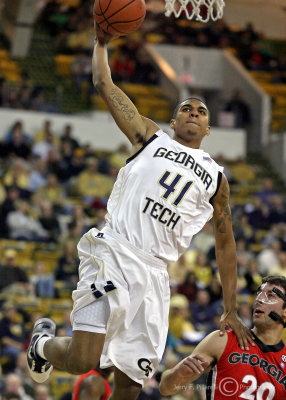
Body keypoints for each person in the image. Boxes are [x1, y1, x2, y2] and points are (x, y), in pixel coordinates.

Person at [26, 25, 253, 400]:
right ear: (174, 120)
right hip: (114, 252)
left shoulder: (217, 178)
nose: (194, 113)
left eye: (201, 111)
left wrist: (230, 307)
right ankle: (43, 345)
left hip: (155, 276)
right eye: (186, 109)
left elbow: (226, 244)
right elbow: (104, 82)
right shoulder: (151, 138)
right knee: (84, 360)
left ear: (209, 127)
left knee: (130, 386)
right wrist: (100, 41)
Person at [159, 275, 286, 398]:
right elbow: (165, 388)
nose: (259, 299)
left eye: (270, 296)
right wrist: (178, 374)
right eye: (259, 293)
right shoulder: (222, 340)